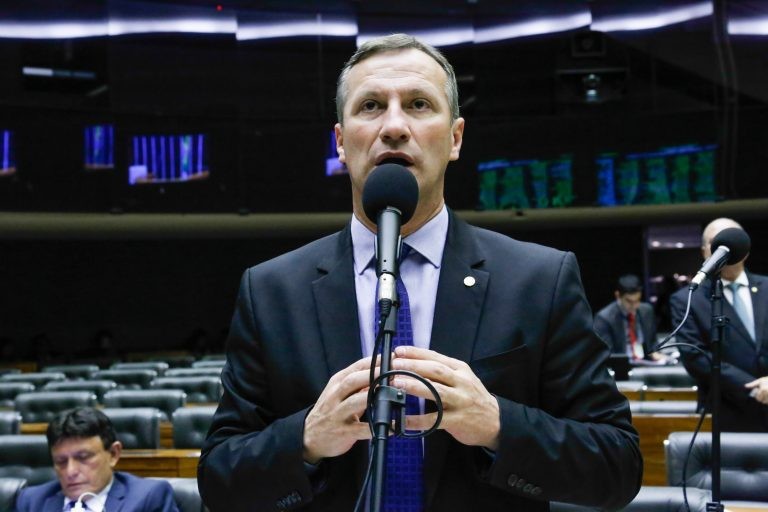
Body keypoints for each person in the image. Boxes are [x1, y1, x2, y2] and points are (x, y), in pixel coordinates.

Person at [198, 34, 641, 511]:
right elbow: (220, 480)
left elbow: (616, 467)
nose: (393, 126)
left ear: (454, 138)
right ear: (341, 142)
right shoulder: (271, 291)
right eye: (370, 105)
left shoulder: (539, 279)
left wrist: (496, 424)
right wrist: (305, 438)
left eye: (418, 104)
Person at [670, 218, 768, 431]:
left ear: (746, 249)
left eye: (733, 243)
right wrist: (755, 388)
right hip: (725, 411)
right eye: (718, 244)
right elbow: (696, 357)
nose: (727, 250)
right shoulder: (688, 299)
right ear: (705, 251)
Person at [15, 407, 178, 512]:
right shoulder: (31, 501)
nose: (70, 472)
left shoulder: (149, 497)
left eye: (83, 458)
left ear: (114, 454)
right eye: (61, 461)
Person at [594, 274, 667, 363]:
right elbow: (607, 354)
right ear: (618, 296)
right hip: (621, 366)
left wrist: (655, 352)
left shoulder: (646, 311)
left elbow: (652, 342)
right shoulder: (604, 318)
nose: (634, 305)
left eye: (638, 300)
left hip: (646, 363)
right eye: (629, 301)